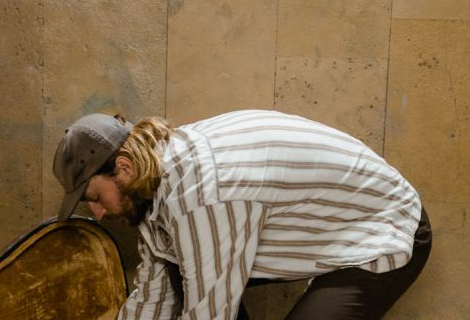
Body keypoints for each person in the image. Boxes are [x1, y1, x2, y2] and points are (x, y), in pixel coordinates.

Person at [53, 110, 431, 320]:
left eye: (94, 198)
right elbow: (155, 299)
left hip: (383, 231)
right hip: (327, 226)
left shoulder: (202, 195)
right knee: (181, 274)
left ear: (122, 168)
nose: (98, 213)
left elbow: (209, 316)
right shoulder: (155, 186)